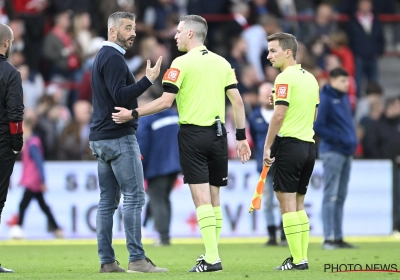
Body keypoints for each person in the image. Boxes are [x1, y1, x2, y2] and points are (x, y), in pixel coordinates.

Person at [111, 15, 252, 273]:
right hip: (220, 135)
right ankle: (212, 253)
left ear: (190, 34)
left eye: (178, 31)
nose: (174, 36)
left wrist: (133, 113)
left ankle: (211, 258)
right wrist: (241, 137)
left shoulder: (181, 63)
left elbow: (166, 102)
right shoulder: (222, 63)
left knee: (202, 201)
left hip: (193, 136)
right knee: (215, 199)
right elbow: (238, 102)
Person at [88, 12, 167, 273]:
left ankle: (107, 262)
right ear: (113, 31)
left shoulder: (103, 56)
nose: (133, 32)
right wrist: (148, 80)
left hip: (102, 138)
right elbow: (120, 95)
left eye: (134, 27)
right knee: (134, 198)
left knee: (107, 203)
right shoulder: (112, 58)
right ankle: (137, 259)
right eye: (127, 28)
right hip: (118, 136)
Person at [263, 32, 319, 270]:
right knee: (299, 204)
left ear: (288, 52)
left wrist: (267, 145)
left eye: (273, 50)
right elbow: (314, 114)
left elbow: (279, 114)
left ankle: (297, 260)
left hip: (289, 146)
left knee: (286, 205)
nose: (268, 56)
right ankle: (301, 257)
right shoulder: (311, 78)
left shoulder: (284, 78)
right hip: (308, 146)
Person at [314, 68, 358, 249]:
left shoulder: (343, 98)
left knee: (340, 196)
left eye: (347, 81)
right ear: (331, 81)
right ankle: (328, 238)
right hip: (333, 151)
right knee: (330, 195)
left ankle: (338, 237)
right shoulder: (325, 99)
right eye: (342, 81)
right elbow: (317, 126)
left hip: (346, 151)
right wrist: (338, 138)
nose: (346, 84)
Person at [13, 109, 64, 239]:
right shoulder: (31, 143)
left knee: (24, 205)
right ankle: (57, 229)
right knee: (42, 205)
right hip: (32, 179)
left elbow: (39, 163)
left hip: (33, 180)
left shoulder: (33, 144)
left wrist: (42, 181)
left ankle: (19, 228)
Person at [136, 104, 181, 246]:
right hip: (175, 165)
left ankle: (163, 237)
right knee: (165, 199)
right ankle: (165, 236)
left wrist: (141, 169)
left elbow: (143, 145)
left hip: (157, 166)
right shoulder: (174, 116)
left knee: (157, 200)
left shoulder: (147, 119)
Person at [248, 82, 287, 246]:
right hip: (264, 165)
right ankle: (272, 234)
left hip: (283, 163)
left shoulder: (282, 113)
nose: (268, 97)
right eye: (265, 94)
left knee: (285, 200)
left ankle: (285, 233)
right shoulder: (254, 116)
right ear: (259, 97)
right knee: (268, 201)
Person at [0, 23, 24, 274]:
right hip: (2, 145)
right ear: (6, 43)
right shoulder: (10, 73)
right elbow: (15, 115)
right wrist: (17, 144)